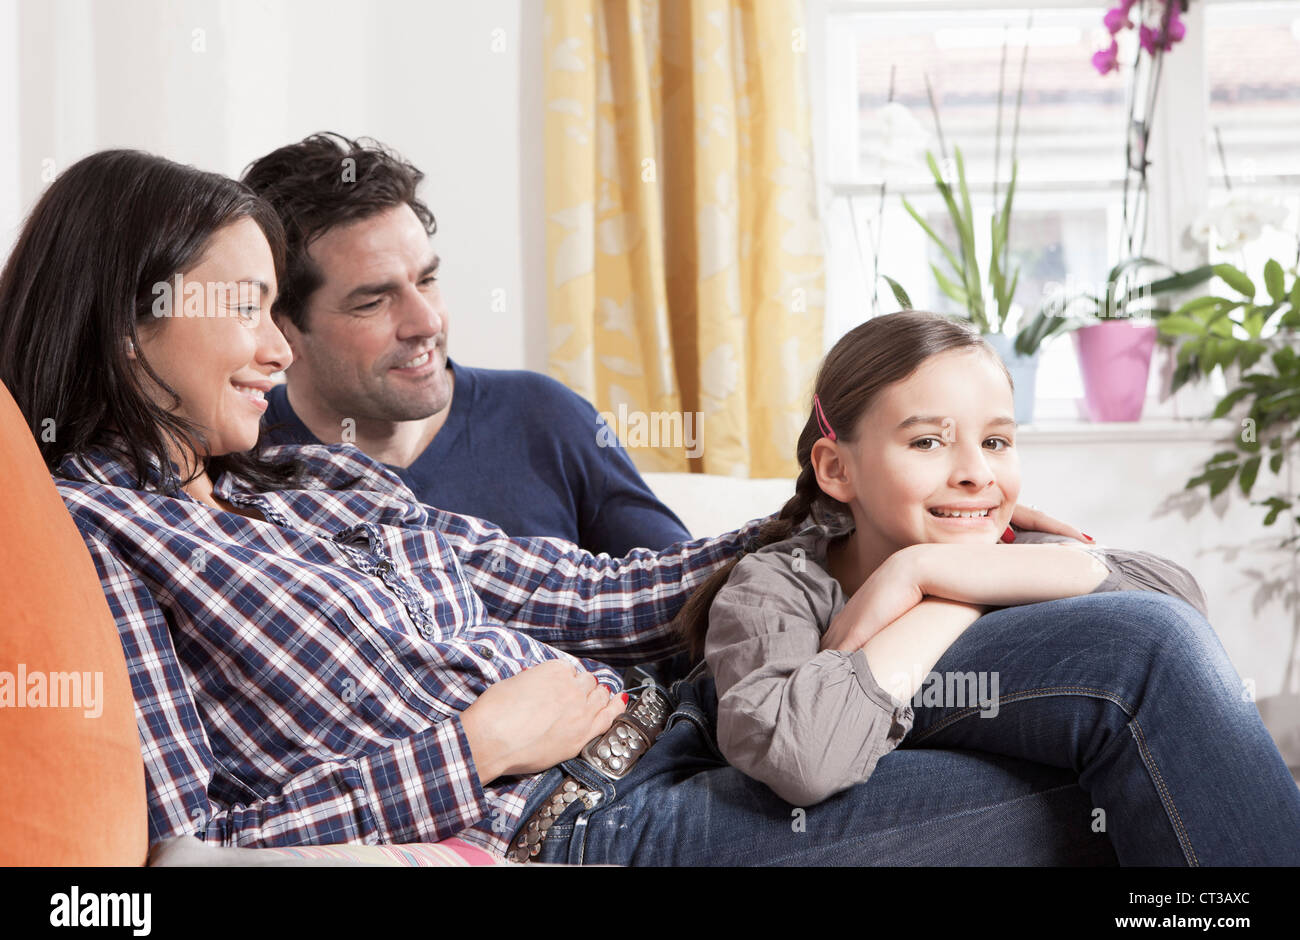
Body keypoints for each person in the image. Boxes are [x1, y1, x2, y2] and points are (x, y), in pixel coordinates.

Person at [3, 149, 1132, 866]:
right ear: (126, 316)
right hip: (594, 818)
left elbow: (599, 589)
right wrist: (474, 744)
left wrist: (881, 519)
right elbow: (181, 854)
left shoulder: (311, 483)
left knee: (1132, 644)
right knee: (1116, 714)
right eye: (246, 307)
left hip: (679, 732)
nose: (272, 344)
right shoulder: (97, 538)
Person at [672, 311, 1300, 865]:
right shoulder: (775, 587)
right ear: (838, 469)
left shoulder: (1000, 550)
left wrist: (928, 575)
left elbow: (1178, 607)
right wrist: (951, 592)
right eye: (928, 442)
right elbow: (803, 756)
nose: (975, 472)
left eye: (996, 441)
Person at [241, 132, 690, 557]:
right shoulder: (238, 463)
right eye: (374, 302)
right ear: (282, 329)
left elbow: (695, 594)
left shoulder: (543, 417)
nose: (428, 321)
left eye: (428, 280)